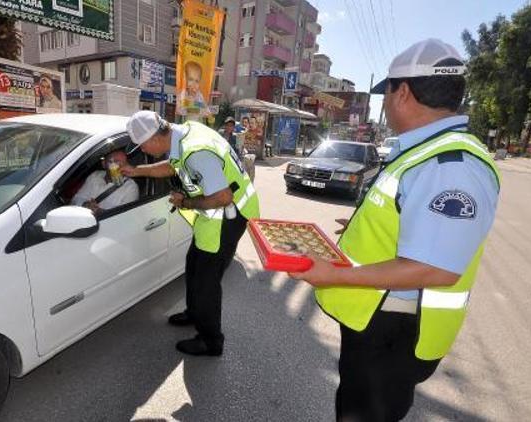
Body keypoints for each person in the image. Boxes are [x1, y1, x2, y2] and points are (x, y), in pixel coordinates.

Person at [289, 39, 501, 421]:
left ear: (402, 92)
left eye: (386, 93)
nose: (385, 104)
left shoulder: (449, 164)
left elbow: (436, 267)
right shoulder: (427, 151)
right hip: (381, 319)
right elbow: (409, 218)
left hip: (394, 329)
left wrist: (334, 273)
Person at [122, 110, 260, 356]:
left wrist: (184, 202)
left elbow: (222, 197)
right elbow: (172, 166)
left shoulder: (196, 152)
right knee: (193, 264)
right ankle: (194, 312)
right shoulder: (183, 135)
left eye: (142, 146)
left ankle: (210, 340)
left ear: (154, 138)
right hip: (215, 216)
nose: (143, 151)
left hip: (229, 215)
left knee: (206, 281)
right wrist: (138, 171)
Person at [71, 150, 139, 215]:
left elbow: (125, 217)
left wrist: (99, 212)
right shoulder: (95, 176)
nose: (119, 167)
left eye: (123, 163)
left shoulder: (131, 187)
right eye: (114, 162)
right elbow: (76, 199)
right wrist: (85, 205)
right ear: (104, 164)